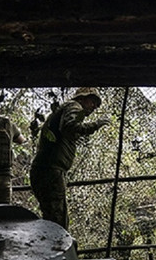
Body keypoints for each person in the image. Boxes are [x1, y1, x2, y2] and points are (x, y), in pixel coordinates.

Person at [29, 87, 109, 229]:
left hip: (46, 170)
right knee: (57, 223)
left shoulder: (63, 109)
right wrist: (94, 125)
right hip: (50, 170)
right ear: (82, 98)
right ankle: (54, 250)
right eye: (93, 101)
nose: (95, 107)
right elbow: (69, 126)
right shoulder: (74, 106)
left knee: (53, 218)